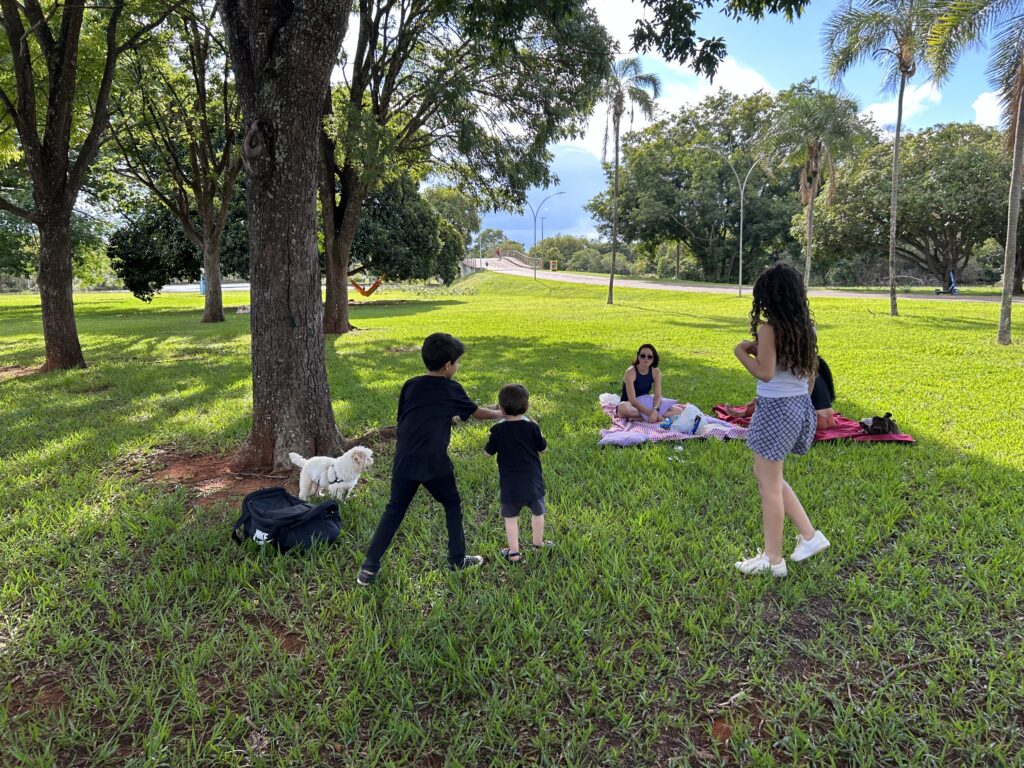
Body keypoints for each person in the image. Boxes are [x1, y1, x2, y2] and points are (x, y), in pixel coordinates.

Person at [356, 333, 502, 586]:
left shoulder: (410, 385)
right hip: (434, 462)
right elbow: (477, 413)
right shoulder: (452, 388)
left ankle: (369, 568)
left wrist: (446, 419)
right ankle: (457, 559)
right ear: (448, 365)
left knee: (394, 510)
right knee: (452, 504)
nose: (458, 367)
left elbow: (407, 417)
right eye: (457, 363)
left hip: (404, 459)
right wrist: (501, 413)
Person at [732, 264, 831, 577]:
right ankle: (809, 536)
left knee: (769, 486)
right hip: (799, 405)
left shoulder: (769, 329)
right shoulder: (805, 330)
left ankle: (773, 559)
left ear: (768, 297)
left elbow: (765, 372)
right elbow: (810, 376)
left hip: (776, 410)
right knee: (769, 477)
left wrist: (740, 351)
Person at [484, 384, 551, 564]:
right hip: (532, 481)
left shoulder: (497, 430)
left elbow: (487, 454)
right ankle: (538, 544)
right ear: (527, 407)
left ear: (501, 408)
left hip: (510, 483)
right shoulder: (532, 427)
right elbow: (543, 449)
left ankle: (514, 553)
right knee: (538, 513)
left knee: (510, 518)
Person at [616, 343, 685, 422]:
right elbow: (632, 400)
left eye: (649, 357)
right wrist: (652, 414)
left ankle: (638, 418)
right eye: (643, 356)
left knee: (678, 411)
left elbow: (657, 396)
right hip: (630, 404)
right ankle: (648, 417)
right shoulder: (630, 372)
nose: (646, 358)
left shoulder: (656, 372)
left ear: (653, 359)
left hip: (645, 401)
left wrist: (655, 411)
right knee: (623, 409)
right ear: (638, 357)